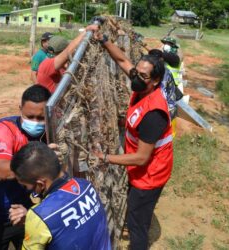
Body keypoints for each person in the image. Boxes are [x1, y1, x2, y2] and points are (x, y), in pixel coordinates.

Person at [94, 33, 173, 250]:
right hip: (141, 170)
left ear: (156, 81)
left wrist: (105, 158)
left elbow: (141, 158)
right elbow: (121, 60)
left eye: (143, 76)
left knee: (138, 225)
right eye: (136, 72)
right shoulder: (142, 84)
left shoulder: (154, 114)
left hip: (151, 174)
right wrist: (103, 40)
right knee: (135, 210)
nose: (136, 77)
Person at [0, 85, 51, 250]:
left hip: (24, 209)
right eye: (29, 116)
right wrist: (45, 163)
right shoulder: (4, 130)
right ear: (20, 109)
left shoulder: (51, 130)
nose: (35, 122)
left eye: (41, 118)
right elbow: (1, 171)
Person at [10, 141, 112, 250]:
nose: (27, 191)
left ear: (40, 184)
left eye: (26, 187)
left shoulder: (40, 218)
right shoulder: (86, 186)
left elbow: (51, 217)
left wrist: (33, 220)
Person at [37, 25, 98, 93]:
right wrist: (86, 31)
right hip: (50, 102)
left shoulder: (61, 65)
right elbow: (68, 52)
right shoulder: (47, 64)